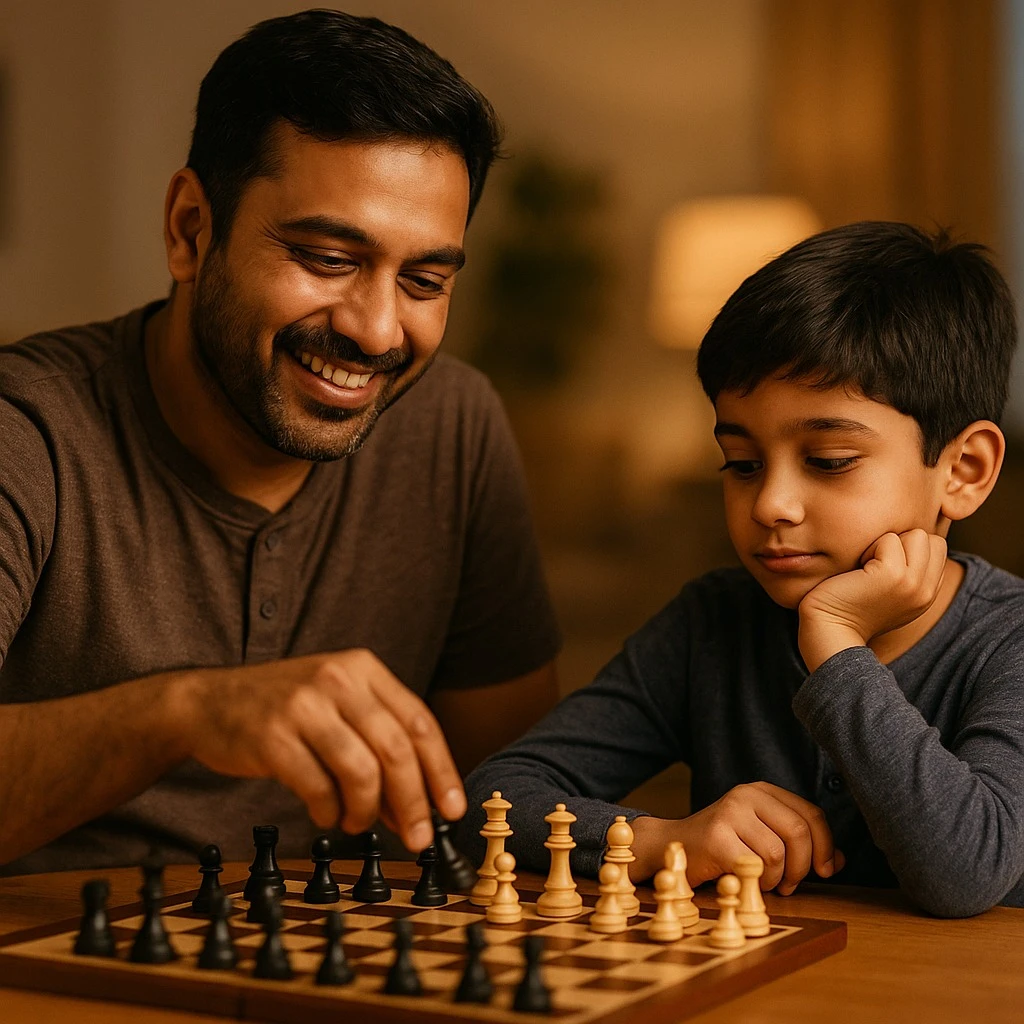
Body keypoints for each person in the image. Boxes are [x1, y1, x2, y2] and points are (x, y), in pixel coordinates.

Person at [0, 10, 561, 874]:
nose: (377, 331)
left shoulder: (454, 423)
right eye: (327, 257)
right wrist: (186, 712)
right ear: (191, 228)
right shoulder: (24, 430)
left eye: (423, 280)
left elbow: (516, 794)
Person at [461, 221, 1024, 918]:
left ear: (964, 471)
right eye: (742, 463)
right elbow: (494, 798)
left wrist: (837, 644)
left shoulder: (1010, 642)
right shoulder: (710, 624)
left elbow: (967, 873)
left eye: (828, 462)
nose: (771, 503)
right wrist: (663, 839)